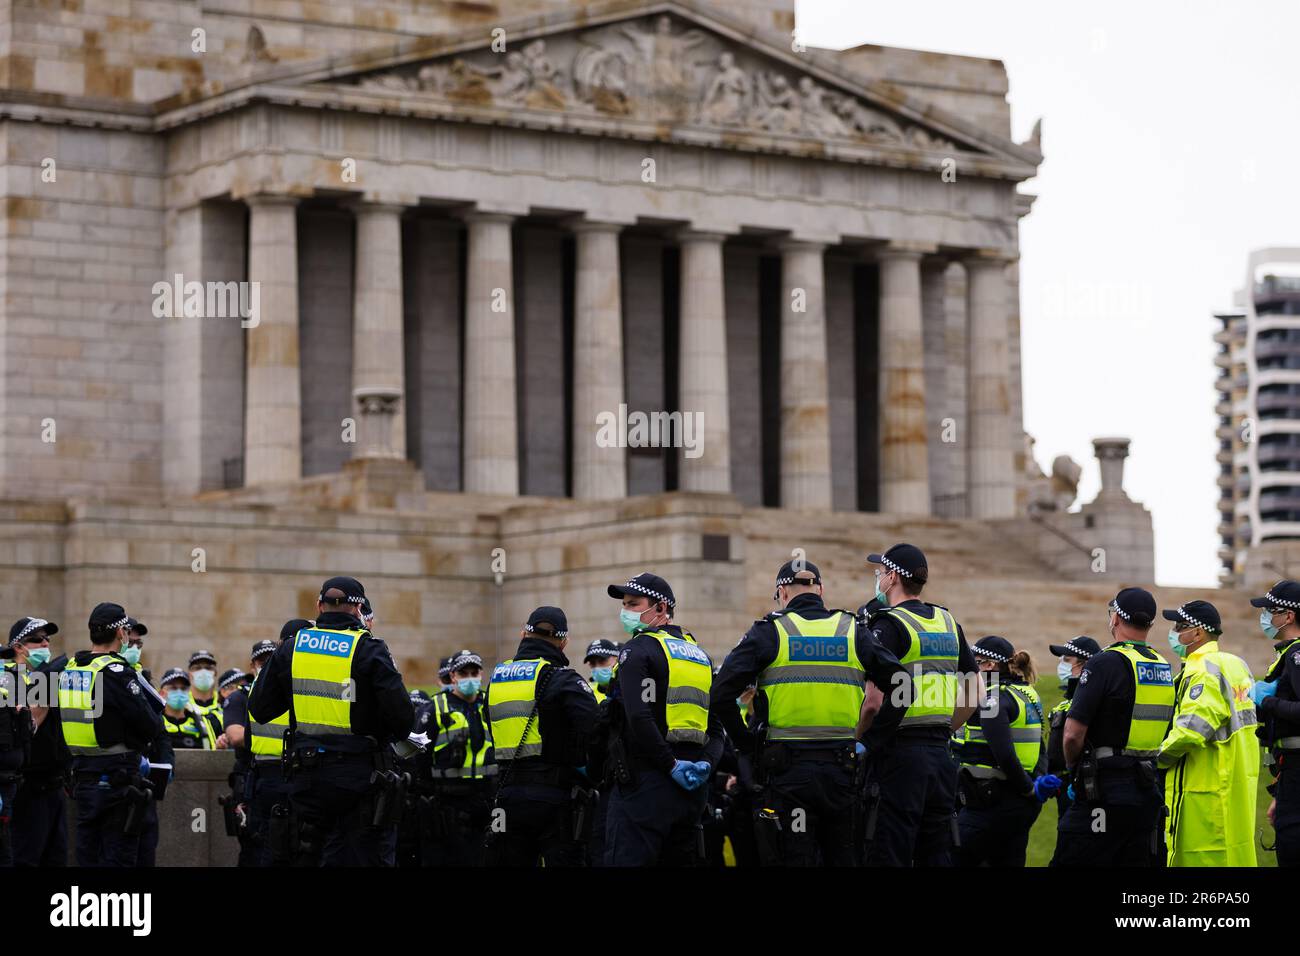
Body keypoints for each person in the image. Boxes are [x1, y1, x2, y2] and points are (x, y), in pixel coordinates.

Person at [710, 558, 903, 866]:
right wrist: (872, 741)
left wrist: (747, 745)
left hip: (787, 775)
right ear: (821, 590)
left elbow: (720, 693)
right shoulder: (851, 630)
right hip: (842, 772)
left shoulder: (769, 631)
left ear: (782, 593)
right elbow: (903, 684)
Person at [248, 579, 413, 866]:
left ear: (318, 606)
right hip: (359, 779)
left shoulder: (292, 648)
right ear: (359, 608)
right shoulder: (369, 648)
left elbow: (260, 708)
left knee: (309, 856)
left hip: (307, 779)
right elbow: (402, 720)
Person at [858, 544, 979, 867]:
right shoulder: (947, 620)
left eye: (880, 573)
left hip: (898, 755)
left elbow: (873, 702)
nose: (878, 579)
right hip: (941, 754)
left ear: (893, 577)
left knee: (889, 850)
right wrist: (943, 727)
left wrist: (860, 744)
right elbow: (975, 688)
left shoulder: (887, 625)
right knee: (935, 852)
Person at [603, 572, 724, 866]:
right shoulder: (699, 655)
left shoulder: (637, 649)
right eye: (625, 604)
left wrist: (669, 765)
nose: (626, 611)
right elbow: (717, 727)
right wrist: (706, 764)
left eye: (634, 604)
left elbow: (638, 716)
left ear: (660, 608)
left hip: (646, 783)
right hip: (691, 790)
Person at [1051, 588, 1175, 867]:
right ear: (1150, 624)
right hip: (1146, 790)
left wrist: (1074, 771)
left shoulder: (1104, 662)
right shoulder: (1162, 666)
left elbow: (1072, 734)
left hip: (1103, 791)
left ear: (1116, 618)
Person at [484, 606, 598, 866]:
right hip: (554, 797)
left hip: (506, 795)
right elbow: (595, 727)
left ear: (523, 633)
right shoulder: (564, 679)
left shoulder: (497, 678)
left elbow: (490, 725)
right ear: (563, 642)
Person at [58, 602, 163, 867]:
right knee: (118, 858)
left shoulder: (72, 668)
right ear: (120, 634)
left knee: (87, 856)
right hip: (116, 780)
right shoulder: (115, 672)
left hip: (83, 778)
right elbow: (150, 723)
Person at [1156, 600, 1258, 866]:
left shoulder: (1202, 669)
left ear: (1198, 633)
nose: (1174, 633)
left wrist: (1156, 758)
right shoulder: (1237, 665)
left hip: (1203, 786)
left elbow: (1192, 730)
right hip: (1237, 783)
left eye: (1179, 626)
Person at [951, 636, 1058, 866]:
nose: (970, 669)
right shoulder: (1026, 694)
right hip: (1018, 803)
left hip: (991, 804)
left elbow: (1005, 755)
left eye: (975, 662)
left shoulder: (993, 700)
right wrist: (1033, 790)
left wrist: (1029, 790)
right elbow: (1040, 748)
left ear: (990, 665)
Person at [7, 617, 71, 867]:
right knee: (25, 858)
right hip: (27, 788)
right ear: (18, 647)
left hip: (55, 786)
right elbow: (29, 725)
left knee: (56, 859)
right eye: (36, 640)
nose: (45, 644)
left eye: (47, 639)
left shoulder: (48, 680)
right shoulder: (9, 681)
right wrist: (47, 681)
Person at [421, 648, 495, 866]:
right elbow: (418, 755)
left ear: (481, 674)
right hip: (448, 800)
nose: (470, 678)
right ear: (453, 676)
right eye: (464, 674)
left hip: (486, 800)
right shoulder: (435, 707)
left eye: (475, 672)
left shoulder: (490, 706)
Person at [1248, 580, 1300, 866]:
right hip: (1289, 770)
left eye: (1270, 610)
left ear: (1288, 616)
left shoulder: (1296, 655)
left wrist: (1267, 702)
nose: (1265, 616)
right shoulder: (1287, 653)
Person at [243, 627, 302, 866]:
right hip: (291, 775)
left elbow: (248, 740)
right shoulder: (299, 678)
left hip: (263, 778)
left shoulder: (260, 682)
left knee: (266, 847)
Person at [1045, 636, 1101, 818]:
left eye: (1067, 660)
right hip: (1065, 786)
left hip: (1082, 784)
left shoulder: (1089, 700)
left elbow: (1074, 739)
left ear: (1084, 665)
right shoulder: (1070, 700)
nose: (1061, 664)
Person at [159, 668, 219, 749]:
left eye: (183, 688)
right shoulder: (155, 720)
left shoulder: (202, 722)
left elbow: (211, 752)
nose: (179, 692)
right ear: (162, 693)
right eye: (173, 688)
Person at [187, 649, 223, 737]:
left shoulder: (225, 702)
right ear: (189, 673)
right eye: (197, 668)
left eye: (208, 668)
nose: (203, 672)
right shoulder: (183, 704)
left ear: (215, 672)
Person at [584, 639, 620, 704]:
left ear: (616, 659)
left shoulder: (627, 687)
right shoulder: (586, 692)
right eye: (593, 663)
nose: (597, 667)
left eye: (602, 661)